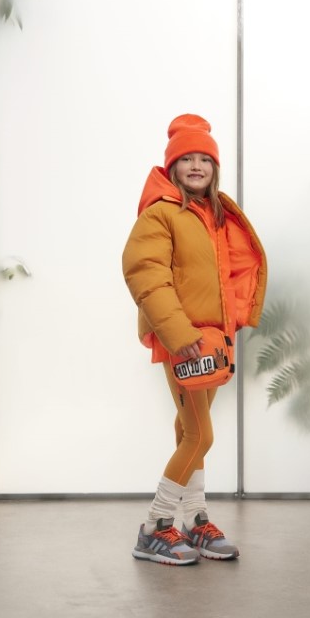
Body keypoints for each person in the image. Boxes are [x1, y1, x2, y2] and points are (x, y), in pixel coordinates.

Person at [122, 113, 267, 565]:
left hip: (211, 342)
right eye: (187, 159)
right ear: (172, 166)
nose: (197, 166)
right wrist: (177, 332)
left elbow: (225, 275)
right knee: (200, 435)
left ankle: (195, 519)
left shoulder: (215, 214)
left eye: (205, 159)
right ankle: (155, 526)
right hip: (181, 340)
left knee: (188, 429)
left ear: (215, 167)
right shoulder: (161, 213)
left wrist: (230, 323)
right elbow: (146, 273)